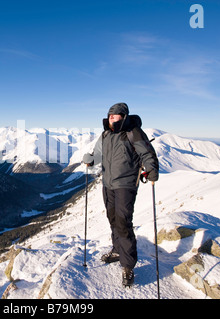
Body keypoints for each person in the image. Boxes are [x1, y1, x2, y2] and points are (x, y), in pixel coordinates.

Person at [83, 102, 159, 287]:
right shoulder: (106, 134)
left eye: (115, 116)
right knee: (113, 218)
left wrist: (151, 169)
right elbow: (98, 155)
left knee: (124, 222)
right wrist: (90, 160)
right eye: (109, 116)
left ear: (123, 117)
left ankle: (128, 266)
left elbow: (147, 153)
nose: (111, 118)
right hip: (108, 183)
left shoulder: (133, 133)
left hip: (126, 185)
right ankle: (117, 250)